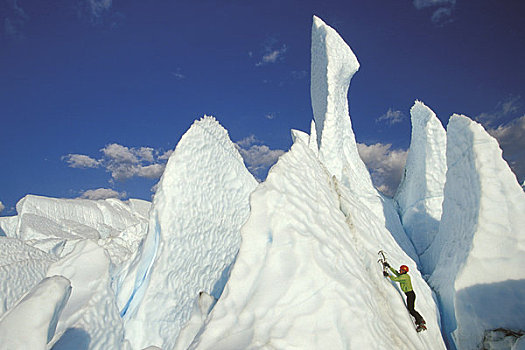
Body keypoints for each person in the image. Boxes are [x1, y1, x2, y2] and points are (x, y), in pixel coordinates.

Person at [383, 262, 426, 328]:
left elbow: (395, 279)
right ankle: (420, 319)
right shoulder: (404, 276)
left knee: (411, 309)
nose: (400, 271)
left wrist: (388, 275)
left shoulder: (404, 277)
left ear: (404, 271)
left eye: (401, 270)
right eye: (400, 270)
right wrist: (389, 267)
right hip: (410, 294)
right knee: (411, 309)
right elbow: (397, 273)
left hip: (410, 295)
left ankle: (420, 321)